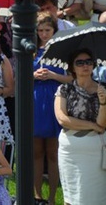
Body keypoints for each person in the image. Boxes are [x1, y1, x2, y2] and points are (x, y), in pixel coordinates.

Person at [54, 48, 106, 204]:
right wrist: (91, 125)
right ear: (72, 67)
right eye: (80, 62)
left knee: (95, 196)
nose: (85, 66)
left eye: (89, 62)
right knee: (71, 195)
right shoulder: (64, 89)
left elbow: (102, 125)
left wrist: (103, 102)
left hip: (95, 150)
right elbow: (62, 119)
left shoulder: (102, 89)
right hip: (70, 150)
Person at [30, 14, 68, 205]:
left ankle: (53, 198)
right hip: (36, 103)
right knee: (36, 153)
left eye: (47, 30)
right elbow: (19, 77)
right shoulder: (30, 51)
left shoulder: (61, 51)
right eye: (40, 30)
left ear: (54, 31)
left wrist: (53, 74)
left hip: (55, 102)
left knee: (53, 153)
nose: (44, 34)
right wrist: (34, 75)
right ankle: (37, 196)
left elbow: (71, 78)